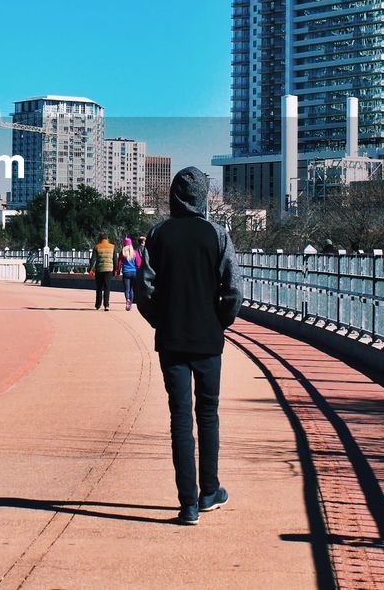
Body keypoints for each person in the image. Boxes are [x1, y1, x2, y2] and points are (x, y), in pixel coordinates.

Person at [137, 167, 242, 525]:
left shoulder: (158, 234)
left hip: (172, 339)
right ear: (203, 196)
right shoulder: (217, 235)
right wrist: (220, 320)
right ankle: (209, 490)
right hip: (208, 340)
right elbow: (234, 289)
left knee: (180, 418)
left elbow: (145, 290)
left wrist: (160, 321)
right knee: (208, 414)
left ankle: (188, 505)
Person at [88, 233, 115, 310]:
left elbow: (93, 260)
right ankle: (106, 305)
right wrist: (115, 269)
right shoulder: (112, 247)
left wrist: (90, 269)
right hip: (109, 270)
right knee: (107, 287)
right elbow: (115, 260)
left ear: (100, 239)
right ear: (107, 239)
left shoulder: (97, 247)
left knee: (99, 288)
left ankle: (98, 305)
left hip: (99, 270)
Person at [116, 237, 141, 310]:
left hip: (126, 272)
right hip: (134, 272)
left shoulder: (122, 252)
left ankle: (127, 300)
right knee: (131, 289)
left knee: (126, 289)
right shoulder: (135, 252)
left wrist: (118, 271)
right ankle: (130, 305)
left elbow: (119, 263)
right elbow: (138, 263)